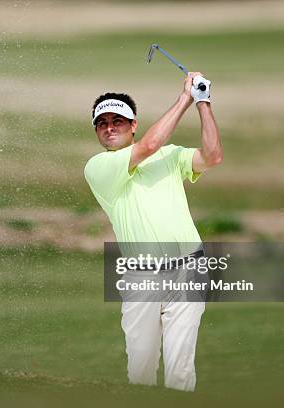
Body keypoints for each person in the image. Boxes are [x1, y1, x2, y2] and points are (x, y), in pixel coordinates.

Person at [84, 72, 222, 391]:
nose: (109, 128)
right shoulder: (98, 167)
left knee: (180, 370)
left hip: (189, 269)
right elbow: (149, 144)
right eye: (102, 123)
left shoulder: (171, 156)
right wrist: (185, 98)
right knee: (141, 369)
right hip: (140, 277)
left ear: (133, 124)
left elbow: (213, 156)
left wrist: (203, 102)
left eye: (118, 120)